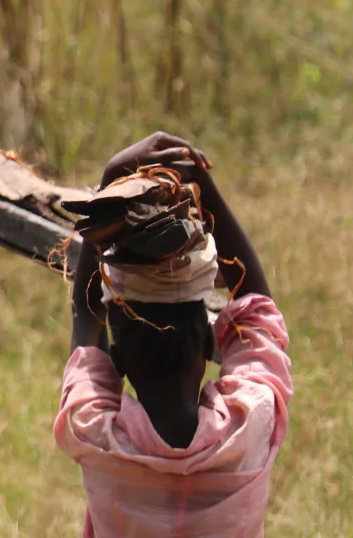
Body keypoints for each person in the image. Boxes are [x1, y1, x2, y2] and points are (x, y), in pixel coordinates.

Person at [57, 132, 293, 537]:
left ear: (118, 361)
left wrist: (109, 188)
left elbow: (85, 318)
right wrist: (206, 189)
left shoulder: (95, 433)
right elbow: (256, 305)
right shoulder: (250, 421)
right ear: (209, 342)